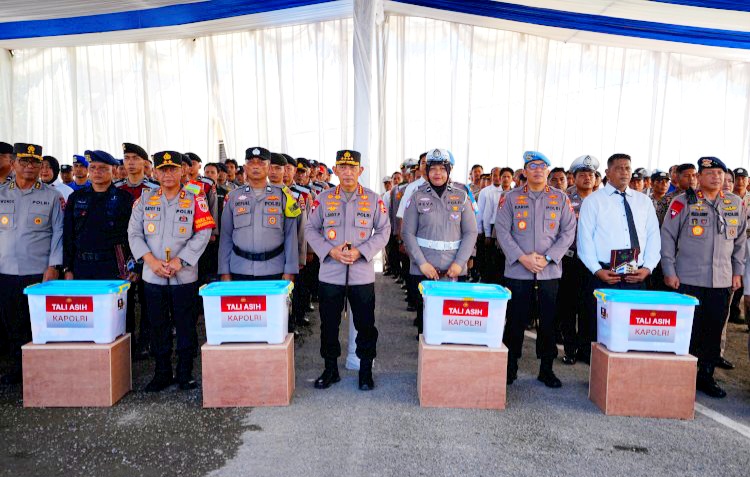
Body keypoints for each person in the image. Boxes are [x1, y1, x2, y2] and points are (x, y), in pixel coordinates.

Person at [128, 151, 215, 392]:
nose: (168, 174)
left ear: (182, 171)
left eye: (173, 169)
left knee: (186, 324)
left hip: (184, 275)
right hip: (152, 274)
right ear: (155, 172)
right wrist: (150, 261)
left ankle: (185, 372)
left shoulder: (195, 198)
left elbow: (204, 232)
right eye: (163, 169)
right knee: (157, 325)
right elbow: (134, 233)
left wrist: (181, 261)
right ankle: (162, 372)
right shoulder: (145, 199)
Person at [305, 149, 390, 391]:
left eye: (352, 167)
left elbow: (384, 230)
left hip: (361, 274)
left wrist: (362, 251)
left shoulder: (373, 199)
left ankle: (365, 371)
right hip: (330, 273)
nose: (348, 172)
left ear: (360, 170)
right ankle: (330, 369)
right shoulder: (323, 198)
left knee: (366, 325)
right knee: (329, 324)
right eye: (342, 167)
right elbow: (310, 229)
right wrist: (330, 251)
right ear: (335, 170)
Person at [661, 157, 745, 398]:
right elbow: (667, 237)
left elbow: (740, 241)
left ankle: (706, 376)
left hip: (722, 280)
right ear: (699, 177)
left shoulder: (734, 203)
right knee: (688, 331)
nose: (716, 177)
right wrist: (669, 271)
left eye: (720, 173)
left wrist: (737, 272)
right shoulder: (682, 202)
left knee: (714, 331)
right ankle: (682, 375)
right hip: (688, 279)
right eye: (710, 173)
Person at [495, 151, 576, 387]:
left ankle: (546, 369)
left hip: (549, 272)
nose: (538, 170)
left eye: (542, 166)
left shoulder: (560, 199)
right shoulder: (510, 198)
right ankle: (510, 368)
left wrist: (549, 257)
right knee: (515, 321)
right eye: (532, 166)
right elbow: (502, 231)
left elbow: (568, 231)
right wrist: (522, 258)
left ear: (547, 171)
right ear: (525, 171)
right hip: (518, 271)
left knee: (549, 321)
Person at [577, 153, 661, 363]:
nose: (624, 172)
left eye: (627, 168)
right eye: (619, 168)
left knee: (631, 325)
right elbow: (585, 240)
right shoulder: (594, 201)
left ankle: (627, 365)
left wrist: (648, 268)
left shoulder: (643, 202)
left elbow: (653, 237)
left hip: (636, 273)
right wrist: (597, 270)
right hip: (604, 273)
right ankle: (595, 367)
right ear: (607, 173)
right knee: (597, 324)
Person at [0, 143, 63, 384]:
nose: (30, 166)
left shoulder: (52, 196)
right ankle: (19, 367)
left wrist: (54, 266)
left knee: (37, 323)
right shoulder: (2, 193)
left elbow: (58, 233)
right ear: (13, 163)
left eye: (35, 162)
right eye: (24, 161)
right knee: (11, 322)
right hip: (5, 271)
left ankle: (41, 369)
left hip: (38, 272)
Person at [401, 148, 478, 336]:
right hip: (424, 269)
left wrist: (459, 263)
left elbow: (471, 232)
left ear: (449, 171)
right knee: (426, 323)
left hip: (454, 269)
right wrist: (422, 264)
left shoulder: (462, 196)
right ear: (426, 171)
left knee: (453, 321)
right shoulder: (416, 196)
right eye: (433, 169)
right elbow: (407, 233)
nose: (438, 173)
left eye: (442, 169)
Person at [218, 148, 301, 282]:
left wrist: (290, 269)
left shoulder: (285, 196)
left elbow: (291, 236)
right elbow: (225, 237)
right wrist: (224, 271)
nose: (256, 166)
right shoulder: (233, 197)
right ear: (245, 168)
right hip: (240, 269)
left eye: (261, 162)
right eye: (251, 162)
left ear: (269, 168)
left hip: (274, 269)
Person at [116, 142, 159, 360]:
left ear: (144, 162)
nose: (131, 163)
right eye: (127, 158)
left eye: (135, 158)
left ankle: (146, 341)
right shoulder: (117, 188)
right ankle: (127, 341)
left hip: (148, 249)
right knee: (124, 299)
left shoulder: (154, 189)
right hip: (121, 250)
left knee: (147, 297)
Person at [63, 150, 134, 280]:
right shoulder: (76, 197)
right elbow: (68, 234)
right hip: (81, 266)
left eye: (102, 168)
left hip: (113, 267)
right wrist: (67, 267)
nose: (97, 172)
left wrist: (133, 267)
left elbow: (132, 235)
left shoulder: (124, 198)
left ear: (114, 171)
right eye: (93, 168)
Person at [556, 155, 598, 365]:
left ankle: (586, 349)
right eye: (583, 174)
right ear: (574, 177)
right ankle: (570, 349)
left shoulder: (602, 200)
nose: (587, 178)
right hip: (570, 260)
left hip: (594, 263)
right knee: (568, 306)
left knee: (589, 306)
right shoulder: (564, 199)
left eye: (591, 174)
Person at [478, 167, 505, 284]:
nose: (497, 178)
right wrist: (481, 231)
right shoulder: (485, 192)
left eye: (500, 175)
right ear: (491, 176)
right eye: (495, 175)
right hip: (489, 228)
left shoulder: (508, 191)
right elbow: (481, 213)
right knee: (488, 258)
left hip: (502, 228)